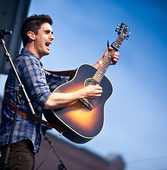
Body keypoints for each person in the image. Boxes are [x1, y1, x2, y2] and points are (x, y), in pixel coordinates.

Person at [0, 14, 119, 170]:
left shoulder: (35, 67)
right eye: (48, 32)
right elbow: (47, 101)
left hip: (21, 147)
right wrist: (84, 93)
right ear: (31, 35)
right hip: (18, 146)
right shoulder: (28, 61)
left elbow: (70, 84)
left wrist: (103, 61)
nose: (53, 37)